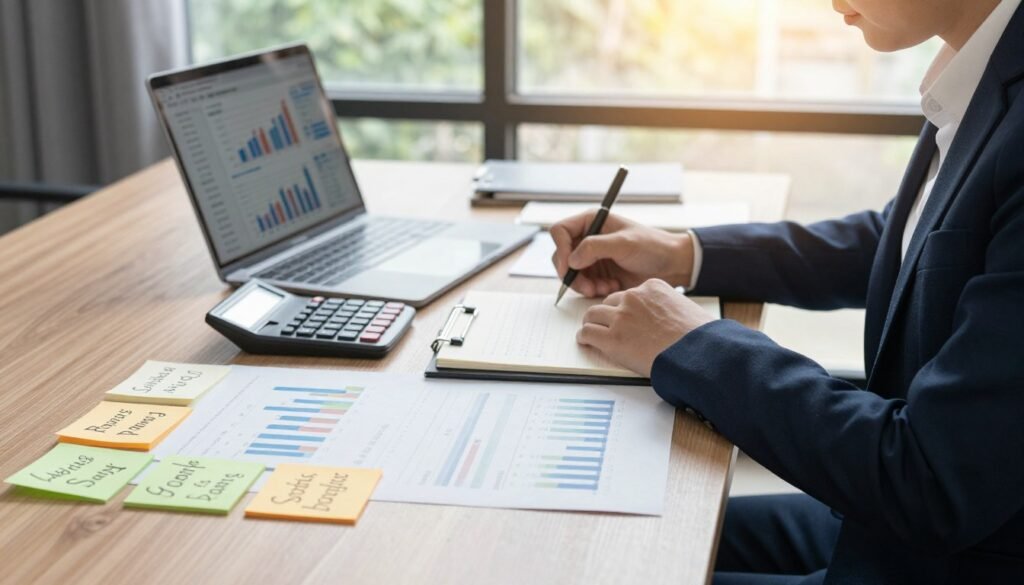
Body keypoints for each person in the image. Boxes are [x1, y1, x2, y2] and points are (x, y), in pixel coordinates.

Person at [550, 1, 1024, 583]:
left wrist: (694, 342)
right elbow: (914, 236)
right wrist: (684, 254)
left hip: (953, 556)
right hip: (887, 526)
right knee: (593, 542)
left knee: (599, 567)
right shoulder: (988, 59)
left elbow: (931, 480)